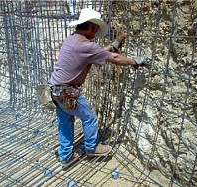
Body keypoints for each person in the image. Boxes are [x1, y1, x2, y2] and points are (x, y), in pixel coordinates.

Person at [48, 8, 148, 166]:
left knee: (65, 122)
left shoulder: (73, 39)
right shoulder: (86, 46)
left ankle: (65, 156)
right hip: (68, 92)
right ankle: (91, 148)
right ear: (90, 27)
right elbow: (113, 58)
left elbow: (96, 52)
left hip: (54, 90)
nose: (96, 33)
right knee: (90, 117)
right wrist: (135, 61)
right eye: (95, 29)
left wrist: (113, 45)